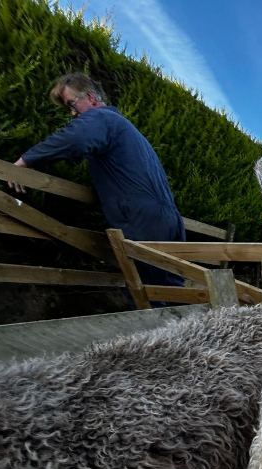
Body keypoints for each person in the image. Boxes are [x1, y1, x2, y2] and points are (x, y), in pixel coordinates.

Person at [10, 73, 185, 303]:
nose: (72, 113)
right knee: (175, 295)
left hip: (142, 220)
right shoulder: (126, 129)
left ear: (90, 98)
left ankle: (156, 340)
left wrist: (27, 160)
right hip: (170, 220)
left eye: (73, 104)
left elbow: (77, 138)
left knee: (145, 296)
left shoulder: (101, 118)